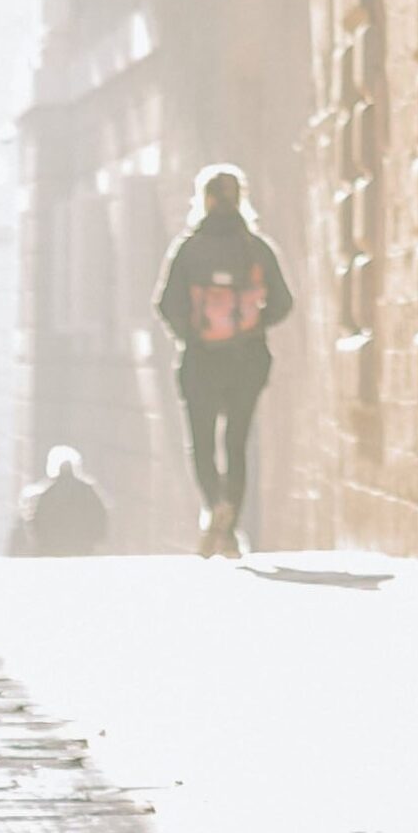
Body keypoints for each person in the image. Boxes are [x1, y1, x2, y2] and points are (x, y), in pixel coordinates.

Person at [154, 164, 294, 557]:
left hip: (200, 360)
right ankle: (230, 524)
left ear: (205, 199)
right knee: (236, 440)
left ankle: (214, 505)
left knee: (201, 441)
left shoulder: (189, 248)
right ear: (239, 199)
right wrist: (254, 327)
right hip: (247, 360)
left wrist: (192, 335)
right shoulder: (256, 248)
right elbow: (284, 302)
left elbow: (165, 303)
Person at [20, 445, 110, 557]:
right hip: (82, 546)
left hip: (54, 548)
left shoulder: (48, 493)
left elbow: (37, 521)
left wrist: (42, 544)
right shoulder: (87, 490)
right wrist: (97, 538)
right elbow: (100, 515)